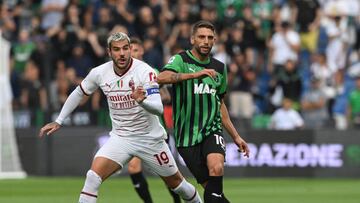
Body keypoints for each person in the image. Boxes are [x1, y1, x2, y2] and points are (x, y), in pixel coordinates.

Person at [39, 32, 202, 203]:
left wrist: (142, 101)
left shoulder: (144, 71)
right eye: (116, 49)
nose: (122, 53)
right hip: (121, 138)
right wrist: (59, 120)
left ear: (130, 49)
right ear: (109, 52)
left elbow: (159, 108)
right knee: (93, 177)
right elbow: (79, 92)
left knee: (177, 184)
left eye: (125, 48)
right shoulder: (99, 72)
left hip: (149, 139)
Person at [157, 20, 250, 203]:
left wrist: (236, 136)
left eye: (210, 38)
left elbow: (220, 103)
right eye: (201, 37)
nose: (206, 41)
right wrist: (194, 75)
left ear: (214, 40)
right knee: (212, 190)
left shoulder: (219, 68)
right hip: (186, 137)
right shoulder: (180, 60)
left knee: (216, 168)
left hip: (211, 129)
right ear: (193, 39)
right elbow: (161, 78)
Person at [127, 37, 181, 203]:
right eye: (131, 50)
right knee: (133, 167)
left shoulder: (153, 72)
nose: (133, 54)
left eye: (136, 50)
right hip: (135, 130)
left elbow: (166, 97)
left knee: (167, 174)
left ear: (142, 51)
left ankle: (178, 200)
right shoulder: (124, 74)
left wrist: (149, 97)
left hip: (155, 129)